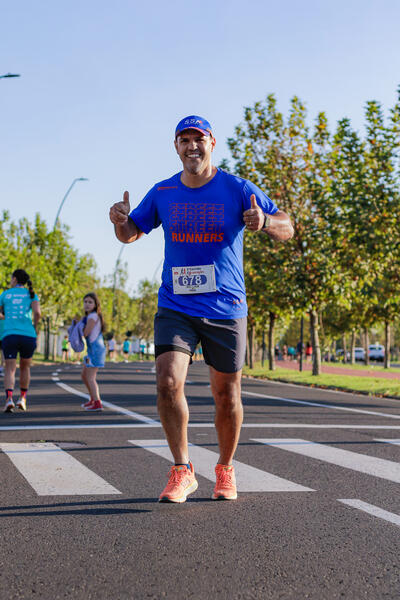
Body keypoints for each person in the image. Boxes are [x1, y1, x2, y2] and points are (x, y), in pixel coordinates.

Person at [109, 115, 293, 503]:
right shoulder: (162, 192)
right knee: (167, 381)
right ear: (176, 147)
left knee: (226, 395)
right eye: (184, 139)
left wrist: (264, 222)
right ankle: (182, 469)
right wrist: (120, 221)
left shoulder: (238, 188)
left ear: (212, 144)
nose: (192, 146)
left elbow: (287, 226)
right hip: (175, 304)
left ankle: (225, 468)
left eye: (199, 139)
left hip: (226, 306)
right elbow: (131, 234)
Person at [0, 269, 41, 412]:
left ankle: (9, 399)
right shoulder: (32, 294)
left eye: (11, 278)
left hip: (9, 335)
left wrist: (6, 317)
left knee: (10, 369)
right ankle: (22, 399)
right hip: (28, 335)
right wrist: (34, 328)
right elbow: (37, 313)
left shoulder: (5, 294)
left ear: (15, 279)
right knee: (25, 367)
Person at [79, 293, 106, 412]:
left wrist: (76, 330)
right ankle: (92, 399)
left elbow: (85, 332)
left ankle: (97, 402)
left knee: (90, 377)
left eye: (90, 302)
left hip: (96, 350)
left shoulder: (93, 317)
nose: (87, 304)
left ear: (95, 305)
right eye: (85, 302)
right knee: (84, 375)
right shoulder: (91, 316)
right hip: (92, 350)